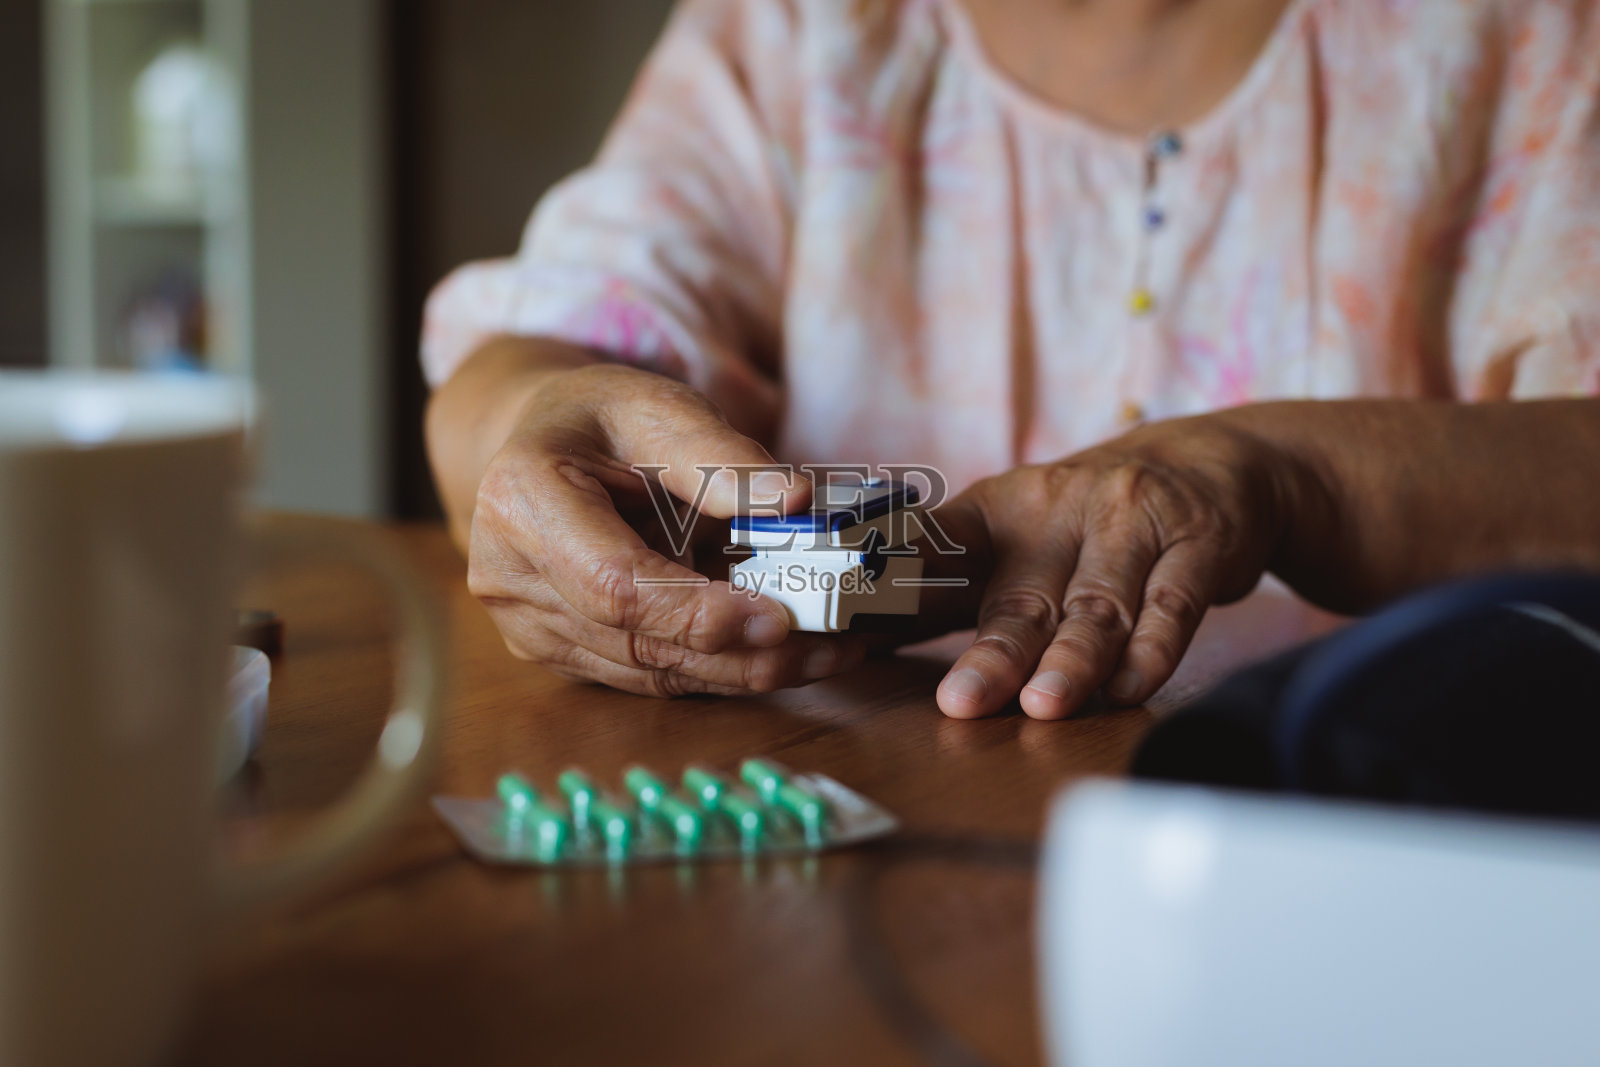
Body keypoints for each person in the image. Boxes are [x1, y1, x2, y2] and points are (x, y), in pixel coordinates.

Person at [422, 0, 1600, 720]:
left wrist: (1285, 475)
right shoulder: (797, 28)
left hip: (1381, 834)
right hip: (856, 835)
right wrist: (536, 418)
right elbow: (530, 366)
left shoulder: (1534, 39)